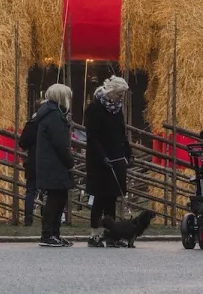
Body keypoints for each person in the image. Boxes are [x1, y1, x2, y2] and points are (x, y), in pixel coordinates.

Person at [83, 76, 133, 247]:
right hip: (100, 158)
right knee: (100, 198)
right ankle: (94, 235)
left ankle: (111, 234)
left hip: (116, 156)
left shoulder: (117, 109)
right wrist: (101, 156)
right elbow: (92, 136)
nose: (121, 98)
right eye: (119, 95)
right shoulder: (95, 108)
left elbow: (121, 132)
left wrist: (128, 152)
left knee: (112, 197)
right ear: (112, 92)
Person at [32, 83, 75, 247]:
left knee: (59, 199)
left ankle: (54, 233)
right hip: (54, 164)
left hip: (50, 163)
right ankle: (48, 234)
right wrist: (69, 161)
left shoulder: (50, 114)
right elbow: (60, 143)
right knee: (55, 200)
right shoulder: (55, 116)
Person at [16, 93, 43, 228]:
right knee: (47, 191)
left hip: (33, 160)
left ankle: (28, 218)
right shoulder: (46, 123)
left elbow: (23, 142)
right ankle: (47, 217)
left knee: (31, 191)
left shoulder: (32, 124)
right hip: (46, 161)